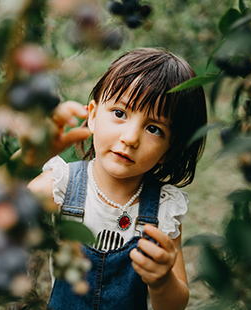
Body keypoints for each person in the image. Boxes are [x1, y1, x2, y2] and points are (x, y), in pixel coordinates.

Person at [27, 48, 207, 310]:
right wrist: (26, 160)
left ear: (171, 149)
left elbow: (175, 304)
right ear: (93, 115)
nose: (130, 138)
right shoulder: (62, 184)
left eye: (154, 129)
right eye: (120, 113)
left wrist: (162, 281)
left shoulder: (163, 209)